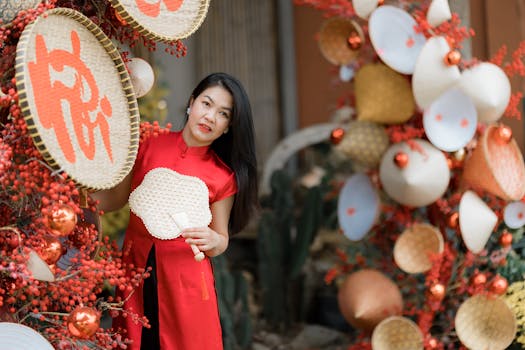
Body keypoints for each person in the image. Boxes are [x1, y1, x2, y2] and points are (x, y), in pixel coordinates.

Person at [92, 72, 258, 349]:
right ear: (191, 103)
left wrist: (214, 240)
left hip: (187, 283)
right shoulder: (149, 143)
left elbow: (220, 240)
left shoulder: (223, 176)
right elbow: (116, 199)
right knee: (134, 342)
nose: (210, 117)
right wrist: (80, 194)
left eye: (223, 114)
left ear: (228, 126)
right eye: (206, 104)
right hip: (136, 270)